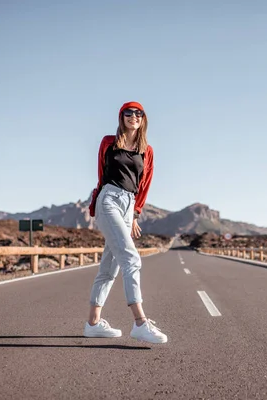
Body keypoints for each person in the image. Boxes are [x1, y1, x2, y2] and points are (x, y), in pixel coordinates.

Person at [83, 101, 168, 344]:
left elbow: (144, 185)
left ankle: (93, 323)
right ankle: (140, 322)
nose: (133, 116)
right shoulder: (109, 142)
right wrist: (99, 199)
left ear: (143, 119)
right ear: (121, 118)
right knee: (131, 258)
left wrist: (134, 214)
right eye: (128, 113)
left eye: (138, 113)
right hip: (109, 198)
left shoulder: (147, 150)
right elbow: (102, 173)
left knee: (109, 268)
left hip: (128, 205)